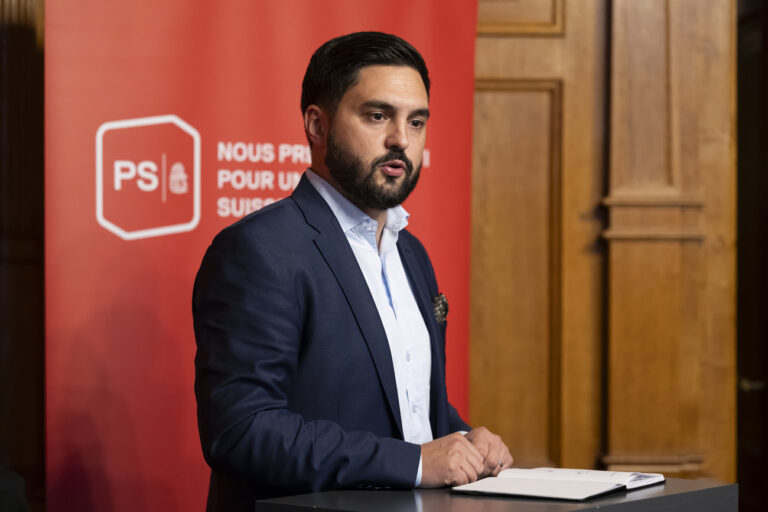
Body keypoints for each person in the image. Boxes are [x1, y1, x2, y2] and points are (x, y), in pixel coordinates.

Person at [193, 31, 512, 511]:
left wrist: (463, 438)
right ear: (316, 125)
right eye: (377, 115)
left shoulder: (412, 254)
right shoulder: (259, 250)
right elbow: (242, 430)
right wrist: (417, 464)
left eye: (417, 121)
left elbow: (401, 409)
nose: (401, 140)